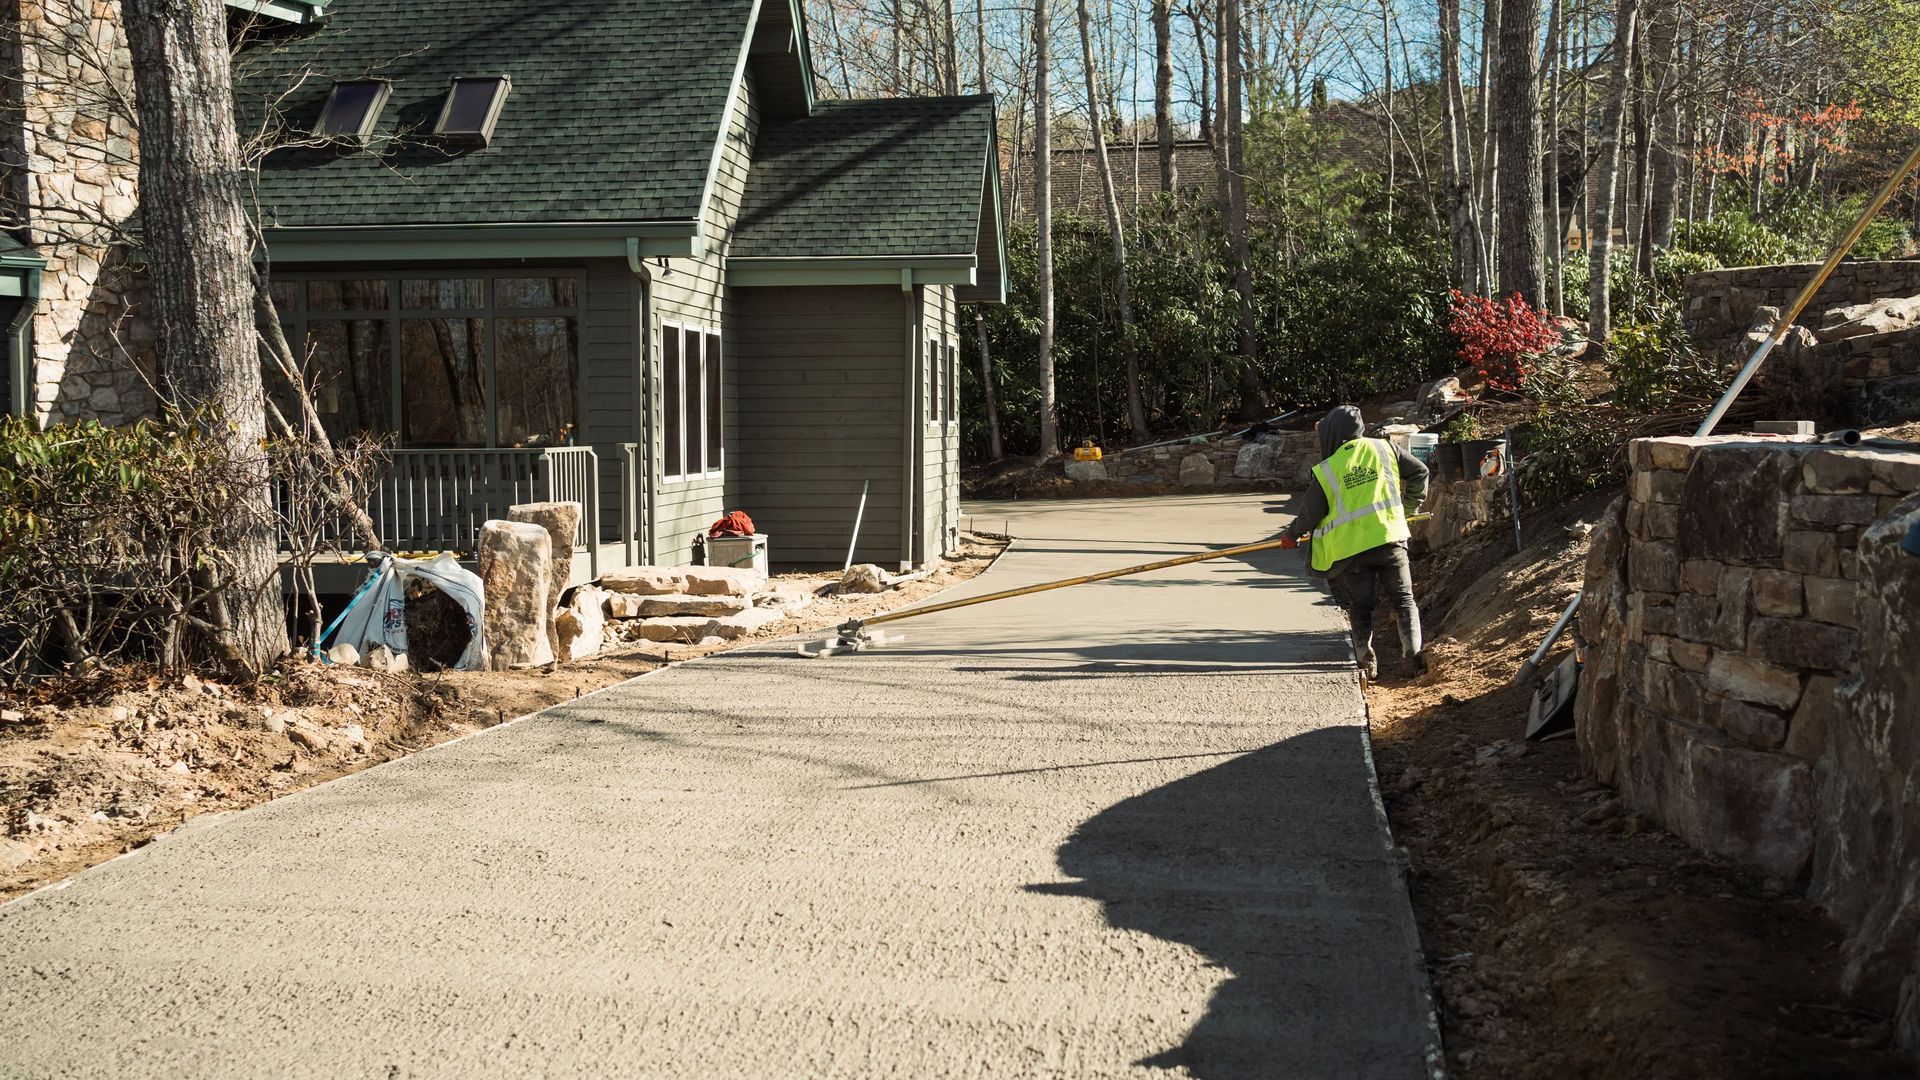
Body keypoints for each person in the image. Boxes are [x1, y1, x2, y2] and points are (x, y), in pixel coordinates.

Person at [1277, 405, 1429, 679]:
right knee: (1404, 599)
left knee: (1361, 605)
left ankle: (1365, 660)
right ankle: (1412, 655)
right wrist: (1408, 510)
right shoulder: (1386, 449)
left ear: (1333, 434)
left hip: (1352, 551)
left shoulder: (1328, 469)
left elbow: (1310, 513)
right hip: (1390, 539)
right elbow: (1420, 472)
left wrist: (1291, 535)